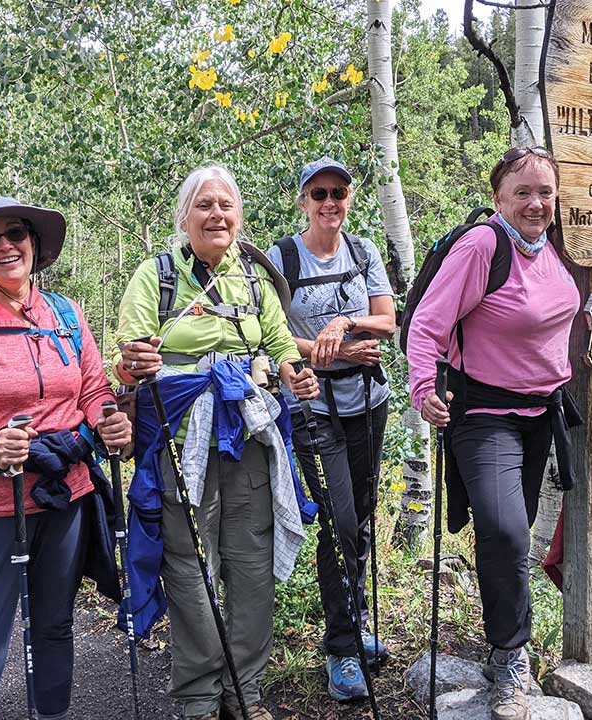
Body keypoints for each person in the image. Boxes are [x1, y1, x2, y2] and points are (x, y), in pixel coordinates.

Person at [113, 164, 318, 720]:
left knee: (250, 568)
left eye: (226, 205)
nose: (216, 215)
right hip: (182, 446)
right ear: (185, 217)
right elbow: (127, 357)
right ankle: (199, 697)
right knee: (189, 568)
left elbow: (279, 341)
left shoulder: (253, 276)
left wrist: (294, 369)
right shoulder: (154, 276)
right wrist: (134, 360)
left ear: (239, 216)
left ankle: (244, 691)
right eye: (204, 205)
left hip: (248, 439)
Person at [0, 196, 131, 720]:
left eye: (17, 233)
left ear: (34, 243)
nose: (6, 245)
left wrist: (109, 417)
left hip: (67, 495)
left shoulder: (65, 314)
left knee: (54, 627)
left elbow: (93, 390)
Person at [406, 147, 581, 720]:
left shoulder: (556, 250)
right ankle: (511, 659)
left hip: (539, 416)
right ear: (498, 199)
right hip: (484, 414)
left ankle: (500, 643)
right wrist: (423, 387)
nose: (536, 203)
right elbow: (428, 323)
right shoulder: (484, 246)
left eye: (545, 192)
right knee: (506, 533)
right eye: (522, 193)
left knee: (511, 534)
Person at [265, 157, 396, 701]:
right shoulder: (283, 257)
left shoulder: (363, 252)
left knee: (361, 519)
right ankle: (340, 648)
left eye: (338, 192)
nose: (329, 202)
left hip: (368, 399)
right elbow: (266, 331)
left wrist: (347, 322)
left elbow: (388, 322)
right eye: (318, 193)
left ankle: (355, 624)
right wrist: (331, 349)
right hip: (312, 405)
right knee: (340, 521)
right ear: (303, 200)